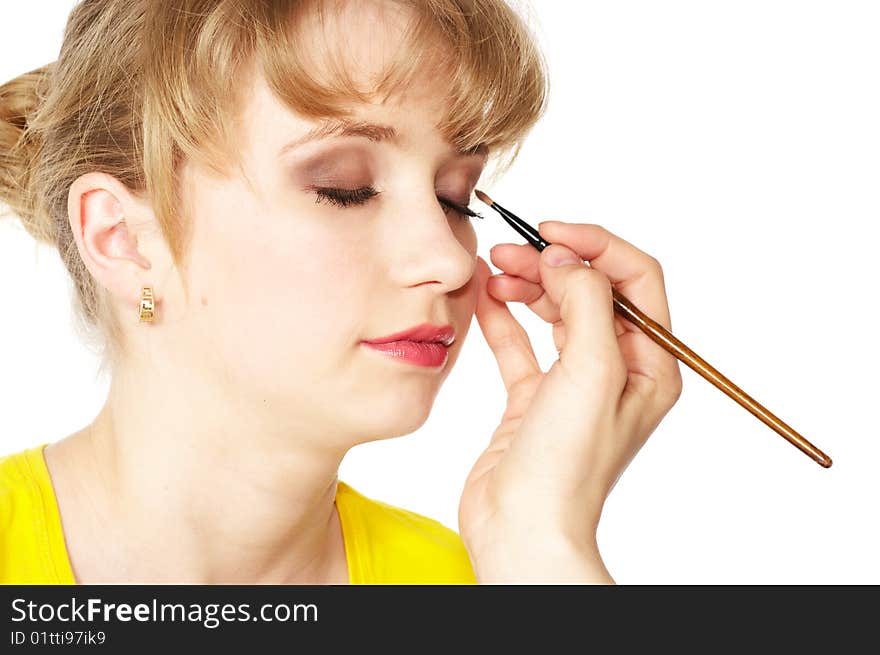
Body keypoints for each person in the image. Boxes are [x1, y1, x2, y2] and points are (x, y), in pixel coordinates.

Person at [0, 0, 682, 585]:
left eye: (455, 197)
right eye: (345, 187)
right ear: (123, 237)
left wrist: (541, 545)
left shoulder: (488, 579)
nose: (448, 260)